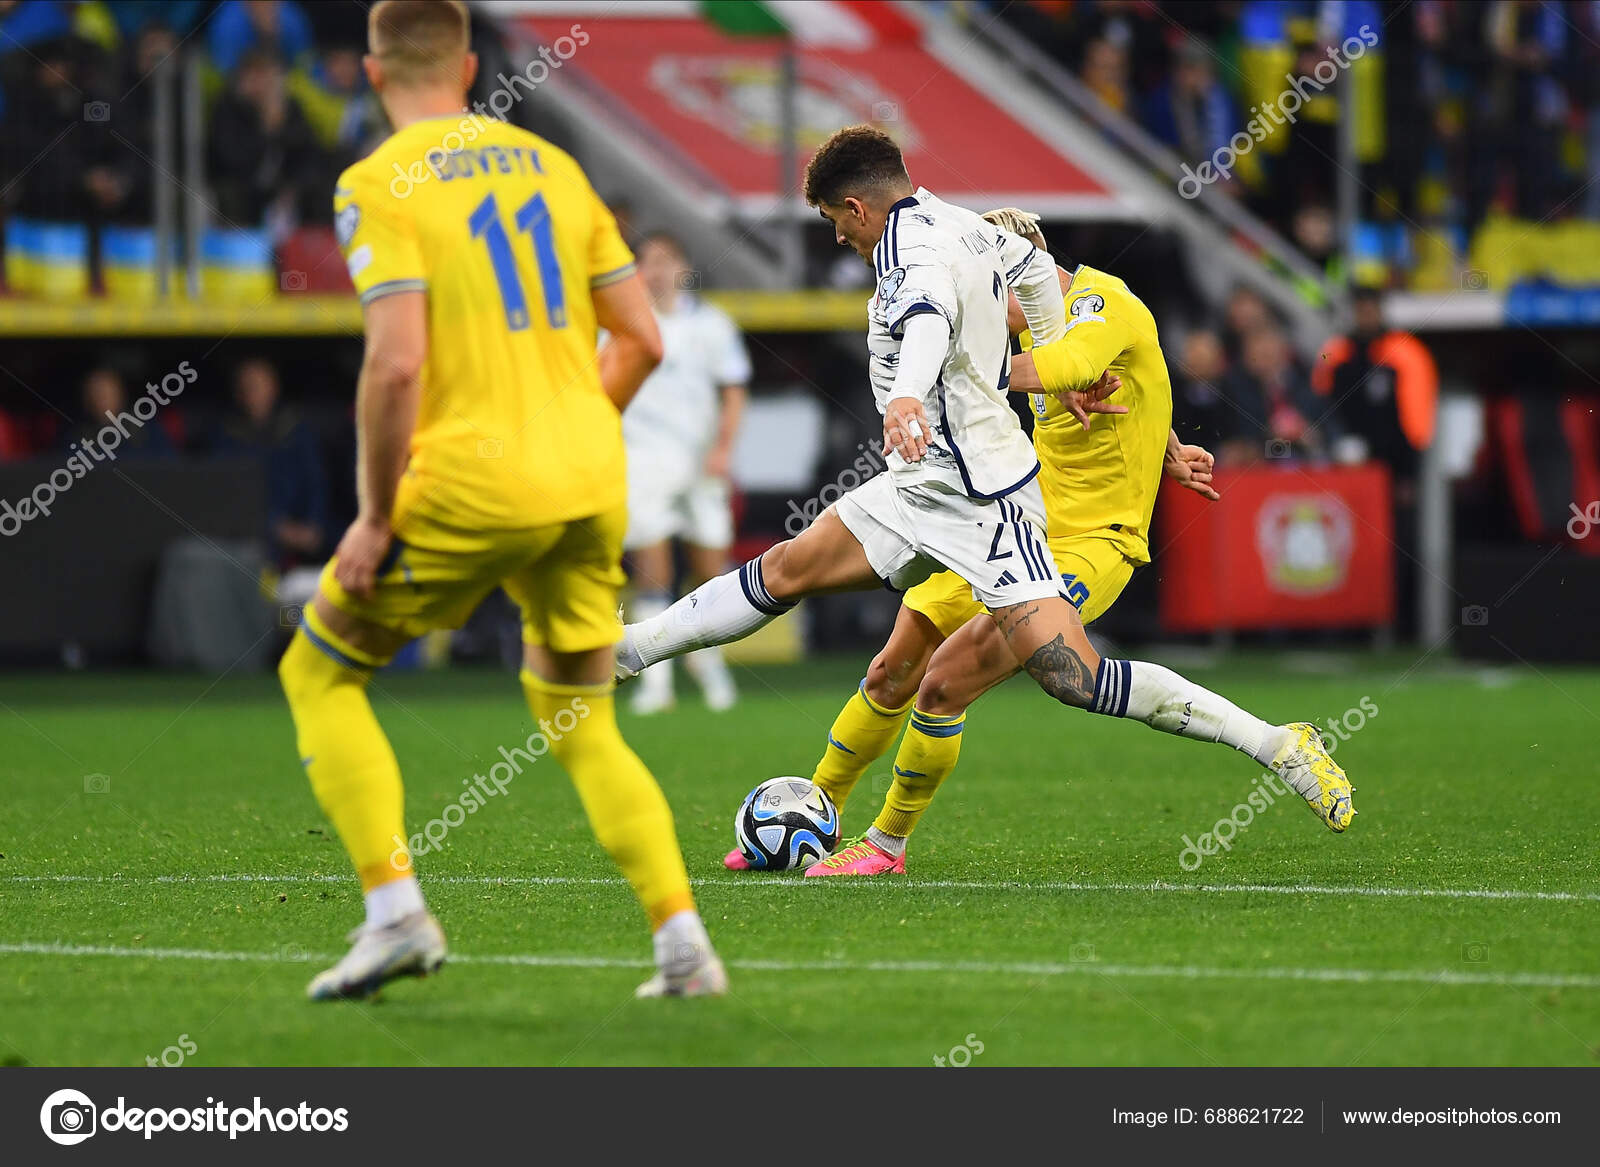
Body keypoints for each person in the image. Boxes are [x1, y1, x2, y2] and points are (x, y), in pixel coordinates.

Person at [616, 127, 1355, 868]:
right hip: (936, 488)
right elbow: (1054, 321)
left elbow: (1006, 341)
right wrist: (1136, 427)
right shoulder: (971, 248)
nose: (835, 237)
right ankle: (671, 684)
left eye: (833, 219)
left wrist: (923, 390)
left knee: (1053, 679)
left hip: (1034, 523)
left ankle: (1275, 743)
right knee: (837, 615)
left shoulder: (1068, 297)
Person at [278, 0, 725, 1002]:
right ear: (473, 64)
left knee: (319, 672)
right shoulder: (553, 167)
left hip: (470, 482)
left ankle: (395, 915)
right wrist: (571, 424)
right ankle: (683, 947)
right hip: (587, 478)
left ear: (368, 69)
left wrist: (375, 515)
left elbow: (396, 368)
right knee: (582, 720)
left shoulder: (375, 183)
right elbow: (644, 339)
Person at [725, 206, 1223, 875]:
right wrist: (1165, 445)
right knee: (890, 667)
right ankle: (817, 810)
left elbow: (1096, 361)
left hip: (1085, 544)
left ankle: (886, 845)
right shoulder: (1024, 337)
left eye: (984, 286)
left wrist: (973, 367)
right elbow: (1115, 384)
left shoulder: (1093, 310)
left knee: (948, 681)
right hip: (1004, 524)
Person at [621, 232, 750, 714]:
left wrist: (723, 449)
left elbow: (733, 392)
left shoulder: (712, 325)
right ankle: (656, 683)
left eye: (665, 259)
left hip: (701, 463)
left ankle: (711, 672)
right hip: (643, 461)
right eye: (646, 261)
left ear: (683, 267)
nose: (655, 270)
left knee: (710, 571)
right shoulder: (621, 325)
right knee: (651, 570)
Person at [211, 357, 327, 570]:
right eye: (246, 387)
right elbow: (224, 494)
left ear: (274, 388)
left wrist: (313, 524)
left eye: (259, 386)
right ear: (238, 393)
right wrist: (274, 526)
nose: (253, 394)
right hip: (248, 536)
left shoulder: (295, 431)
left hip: (301, 533)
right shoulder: (225, 436)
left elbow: (315, 483)